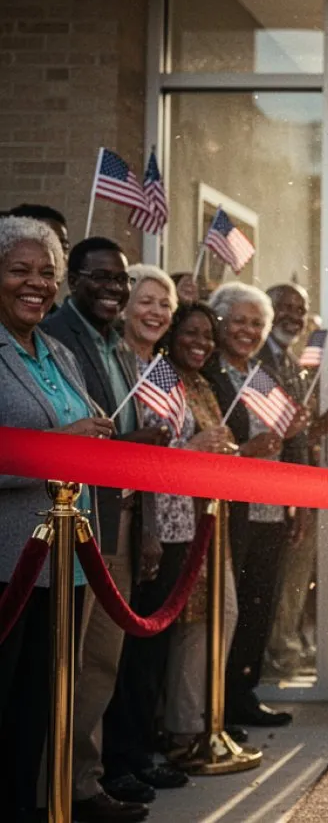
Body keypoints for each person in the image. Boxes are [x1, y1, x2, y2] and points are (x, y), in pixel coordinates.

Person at [40, 238, 173, 820]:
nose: (113, 290)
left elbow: (116, 437)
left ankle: (82, 783)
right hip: (66, 525)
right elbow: (80, 438)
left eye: (121, 280)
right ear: (73, 279)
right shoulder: (57, 339)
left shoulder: (113, 344)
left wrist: (142, 525)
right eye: (101, 278)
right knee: (62, 663)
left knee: (100, 661)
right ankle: (51, 788)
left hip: (114, 520)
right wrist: (127, 446)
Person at [0, 215, 114, 823]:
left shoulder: (60, 351)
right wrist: (58, 448)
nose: (36, 284)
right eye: (19, 271)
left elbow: (82, 424)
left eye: (47, 273)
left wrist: (94, 437)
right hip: (8, 566)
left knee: (36, 711)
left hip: (65, 566)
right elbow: (51, 444)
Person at [103, 299, 240, 779]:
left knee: (160, 646)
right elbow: (155, 447)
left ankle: (153, 747)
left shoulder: (197, 383)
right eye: (192, 333)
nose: (200, 343)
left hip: (194, 523)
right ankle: (147, 750)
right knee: (141, 649)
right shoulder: (155, 377)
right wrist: (193, 449)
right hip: (156, 521)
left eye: (208, 336)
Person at [204, 282, 301, 727]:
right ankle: (214, 706)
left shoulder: (264, 373)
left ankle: (243, 694)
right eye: (239, 321)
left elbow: (285, 438)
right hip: (229, 512)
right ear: (218, 320)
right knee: (229, 608)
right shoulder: (208, 373)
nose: (248, 330)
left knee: (259, 605)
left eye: (256, 323)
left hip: (272, 509)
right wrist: (248, 447)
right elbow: (219, 440)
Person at [263, 283, 328, 675]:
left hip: (295, 490)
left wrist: (321, 426)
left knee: (294, 580)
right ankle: (277, 656)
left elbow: (295, 434)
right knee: (279, 583)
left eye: (300, 309)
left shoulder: (290, 362)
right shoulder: (261, 363)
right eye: (284, 307)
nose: (293, 316)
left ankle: (286, 648)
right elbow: (274, 436)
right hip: (269, 493)